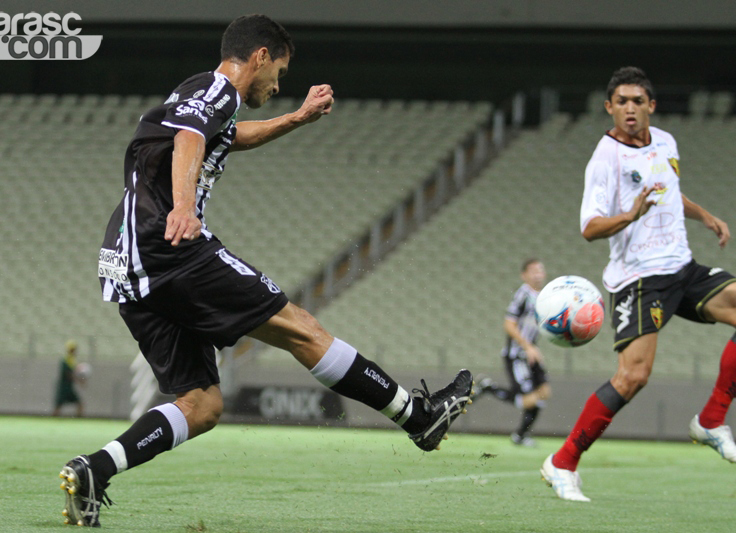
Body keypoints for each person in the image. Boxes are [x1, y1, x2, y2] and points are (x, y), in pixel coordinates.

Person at [60, 14, 474, 527]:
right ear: (257, 57)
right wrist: (185, 207)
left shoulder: (202, 97)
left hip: (130, 262)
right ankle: (419, 419)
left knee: (203, 404)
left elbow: (223, 136)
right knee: (302, 328)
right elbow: (191, 137)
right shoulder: (217, 88)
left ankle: (94, 470)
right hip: (168, 247)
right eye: (277, 72)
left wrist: (295, 120)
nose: (278, 86)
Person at [541, 66, 736, 502]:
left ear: (651, 106)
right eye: (621, 102)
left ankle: (710, 420)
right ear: (609, 108)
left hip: (681, 268)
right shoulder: (605, 159)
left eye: (638, 101)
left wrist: (706, 217)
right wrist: (629, 216)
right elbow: (589, 227)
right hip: (639, 279)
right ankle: (562, 462)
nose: (630, 109)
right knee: (633, 377)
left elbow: (668, 189)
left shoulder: (665, 141)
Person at [476, 258, 551, 447]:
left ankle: (521, 435)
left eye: (540, 270)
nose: (537, 274)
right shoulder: (523, 294)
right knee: (527, 400)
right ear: (524, 275)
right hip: (517, 355)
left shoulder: (543, 296)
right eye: (533, 270)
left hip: (531, 354)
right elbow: (509, 324)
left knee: (544, 392)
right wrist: (527, 346)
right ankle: (489, 388)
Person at [53, 340, 84, 418]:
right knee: (58, 406)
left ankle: (78, 419)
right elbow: (67, 373)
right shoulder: (65, 360)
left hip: (69, 387)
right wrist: (78, 380)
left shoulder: (73, 361)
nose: (74, 351)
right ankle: (53, 420)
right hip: (64, 387)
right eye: (72, 349)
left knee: (80, 404)